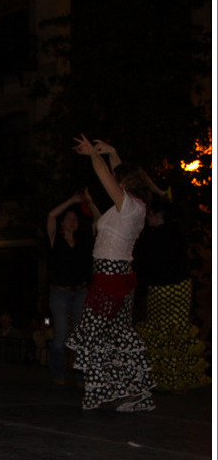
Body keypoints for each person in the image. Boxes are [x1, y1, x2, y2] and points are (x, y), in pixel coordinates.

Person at [66, 134, 155, 412]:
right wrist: (113, 151)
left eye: (120, 181)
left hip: (111, 275)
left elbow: (105, 174)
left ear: (126, 185)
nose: (115, 184)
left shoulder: (127, 205)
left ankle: (109, 391)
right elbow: (116, 173)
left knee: (93, 333)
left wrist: (94, 154)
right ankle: (131, 393)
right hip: (116, 274)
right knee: (117, 334)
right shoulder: (133, 206)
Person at [134, 195, 210, 392]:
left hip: (162, 289)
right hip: (180, 287)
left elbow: (144, 263)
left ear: (158, 216)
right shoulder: (177, 233)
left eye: (150, 214)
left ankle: (165, 375)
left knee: (162, 330)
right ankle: (179, 374)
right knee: (177, 330)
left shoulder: (151, 236)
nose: (148, 218)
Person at [46, 190, 99, 385]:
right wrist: (71, 201)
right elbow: (51, 215)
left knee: (81, 334)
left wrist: (90, 202)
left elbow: (98, 220)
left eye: (74, 219)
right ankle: (57, 374)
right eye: (68, 218)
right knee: (61, 333)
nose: (72, 221)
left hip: (79, 291)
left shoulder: (84, 240)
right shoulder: (55, 239)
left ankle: (81, 375)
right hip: (59, 291)